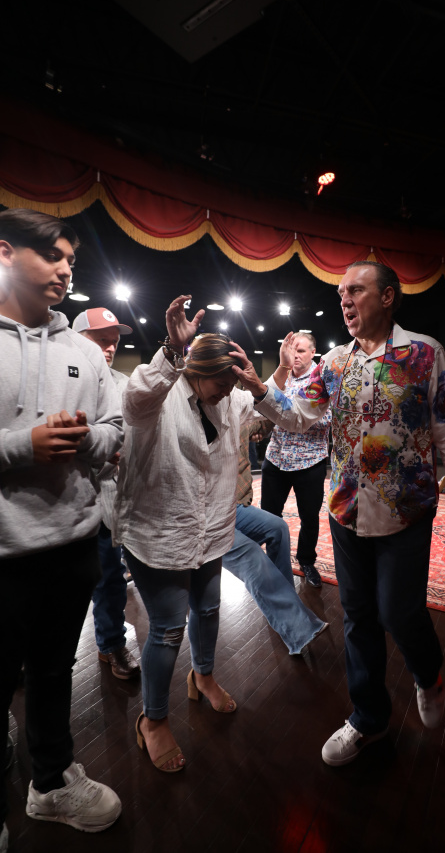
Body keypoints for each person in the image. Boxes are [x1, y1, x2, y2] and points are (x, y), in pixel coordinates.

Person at [231, 261, 445, 767]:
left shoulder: (424, 353)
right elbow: (299, 417)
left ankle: (427, 673)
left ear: (388, 297)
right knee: (358, 617)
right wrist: (260, 388)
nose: (344, 300)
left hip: (406, 511)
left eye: (356, 290)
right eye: (341, 292)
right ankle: (368, 718)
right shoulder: (333, 363)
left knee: (400, 612)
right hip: (346, 511)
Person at [0, 209, 123, 842]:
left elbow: (115, 431)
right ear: (5, 253)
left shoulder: (83, 351)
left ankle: (49, 784)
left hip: (73, 545)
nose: (65, 268)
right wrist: (24, 445)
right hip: (4, 553)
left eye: (71, 259)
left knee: (53, 674)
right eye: (51, 255)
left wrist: (85, 439)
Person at [112, 301, 263, 773]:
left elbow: (262, 405)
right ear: (198, 371)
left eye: (231, 386)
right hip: (161, 530)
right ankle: (153, 720)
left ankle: (203, 677)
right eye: (221, 383)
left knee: (210, 608)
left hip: (210, 529)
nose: (227, 393)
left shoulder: (228, 399)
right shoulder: (160, 394)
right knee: (167, 627)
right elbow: (135, 400)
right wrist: (171, 351)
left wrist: (264, 379)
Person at [72, 307, 140, 680]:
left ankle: (111, 644)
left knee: (110, 577)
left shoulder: (124, 384)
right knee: (50, 585)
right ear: (77, 338)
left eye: (113, 341)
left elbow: (131, 438)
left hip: (107, 497)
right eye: (101, 339)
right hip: (61, 498)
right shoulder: (61, 377)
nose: (110, 347)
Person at [222, 420, 328, 654]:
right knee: (253, 556)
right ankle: (298, 627)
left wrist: (267, 423)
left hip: (233, 505)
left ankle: (288, 599)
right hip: (208, 513)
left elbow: (255, 423)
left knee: (278, 527)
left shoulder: (230, 413)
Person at [260, 332, 331, 588]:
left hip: (309, 461)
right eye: (292, 350)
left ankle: (307, 561)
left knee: (309, 517)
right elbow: (264, 406)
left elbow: (327, 418)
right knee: (269, 516)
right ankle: (272, 561)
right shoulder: (282, 376)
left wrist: (288, 414)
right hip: (276, 457)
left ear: (313, 352)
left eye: (301, 350)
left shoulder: (322, 379)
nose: (295, 355)